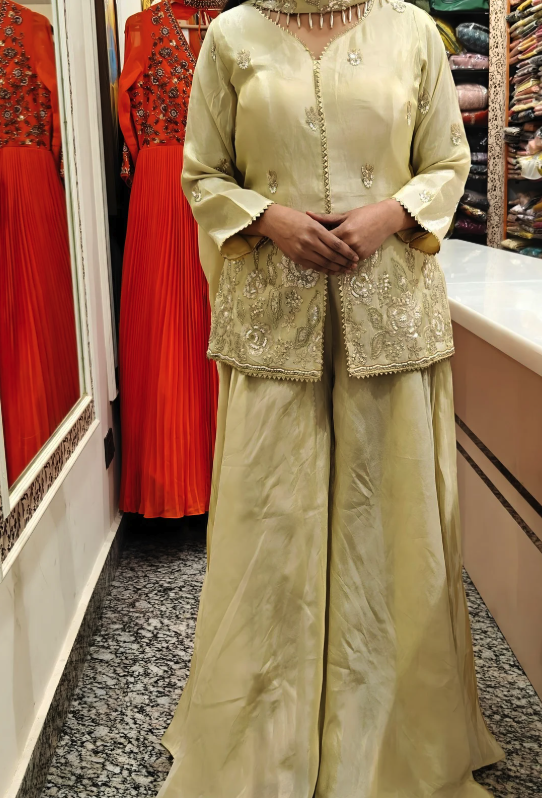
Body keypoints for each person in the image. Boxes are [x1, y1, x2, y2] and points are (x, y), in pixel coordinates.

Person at [158, 0, 504, 794]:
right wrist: (268, 218)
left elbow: (448, 162)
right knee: (269, 523)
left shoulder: (411, 31)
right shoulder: (232, 36)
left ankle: (390, 739)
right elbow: (201, 172)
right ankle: (261, 739)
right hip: (272, 319)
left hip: (389, 312)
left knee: (393, 523)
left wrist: (389, 214)